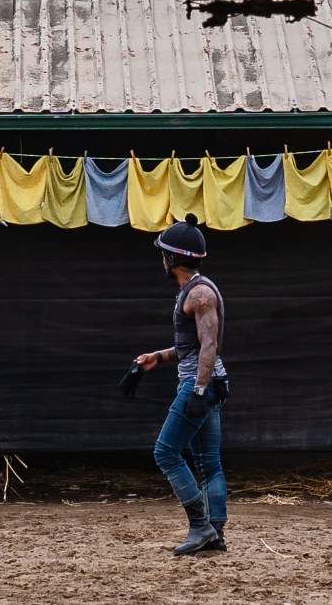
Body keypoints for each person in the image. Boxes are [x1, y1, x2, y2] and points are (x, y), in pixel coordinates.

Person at [135, 213, 229, 556]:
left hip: (201, 384)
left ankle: (200, 527)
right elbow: (192, 347)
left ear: (173, 259)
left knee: (165, 451)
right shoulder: (194, 291)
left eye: (163, 253)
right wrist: (157, 357)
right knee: (209, 463)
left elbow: (209, 345)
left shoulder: (200, 294)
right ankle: (214, 534)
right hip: (209, 381)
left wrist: (198, 391)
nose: (161, 259)